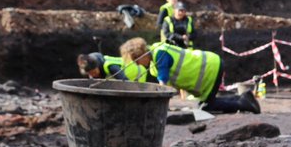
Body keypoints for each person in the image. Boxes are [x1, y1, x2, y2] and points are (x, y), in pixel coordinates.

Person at [120, 37, 260, 114]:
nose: (138, 64)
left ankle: (244, 104)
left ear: (141, 54)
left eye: (137, 60)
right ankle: (242, 97)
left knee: (207, 107)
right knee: (204, 104)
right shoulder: (156, 53)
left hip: (210, 69)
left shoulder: (160, 56)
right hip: (210, 65)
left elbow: (163, 86)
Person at [77, 52, 147, 82]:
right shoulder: (95, 69)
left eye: (94, 72)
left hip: (138, 74)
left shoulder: (110, 66)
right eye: (90, 74)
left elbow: (125, 82)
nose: (93, 75)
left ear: (98, 66)